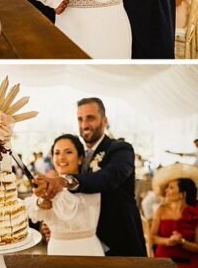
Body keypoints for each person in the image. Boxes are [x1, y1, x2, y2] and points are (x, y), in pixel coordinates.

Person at [34, 97, 147, 256]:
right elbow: (78, 203)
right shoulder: (79, 157)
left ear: (104, 120)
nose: (84, 125)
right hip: (89, 245)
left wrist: (65, 180)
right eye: (80, 119)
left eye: (90, 118)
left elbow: (108, 178)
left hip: (120, 241)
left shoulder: (121, 149)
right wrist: (57, 224)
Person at [27, 135, 104, 256]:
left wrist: (52, 194)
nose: (61, 158)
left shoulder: (91, 183)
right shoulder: (47, 186)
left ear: (80, 159)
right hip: (56, 250)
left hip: (88, 251)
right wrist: (41, 202)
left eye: (68, 152)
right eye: (57, 153)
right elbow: (33, 210)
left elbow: (69, 208)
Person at [150, 164, 198, 268]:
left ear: (183, 193)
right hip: (164, 261)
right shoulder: (161, 210)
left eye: (171, 188)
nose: (166, 191)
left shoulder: (196, 212)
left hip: (189, 262)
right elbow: (152, 237)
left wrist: (182, 242)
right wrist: (168, 241)